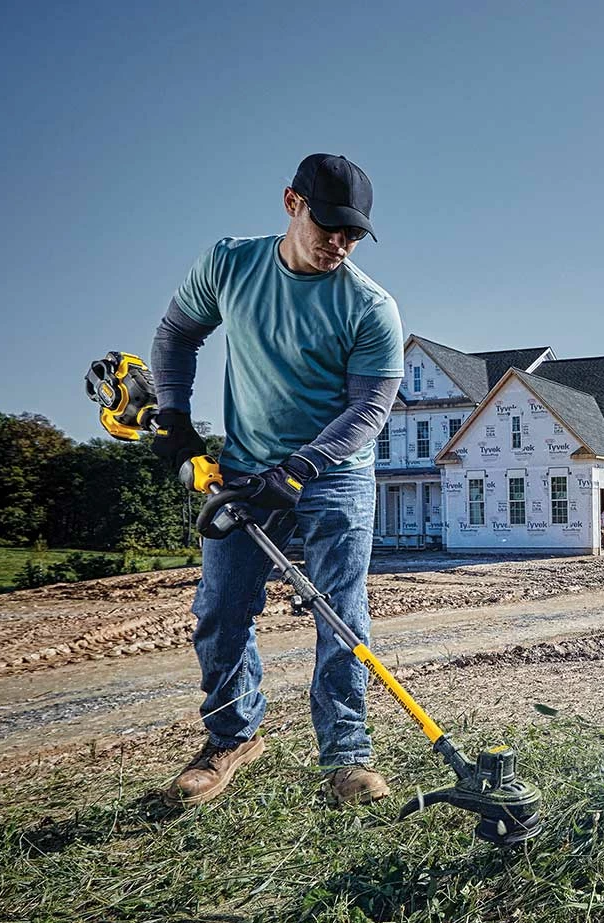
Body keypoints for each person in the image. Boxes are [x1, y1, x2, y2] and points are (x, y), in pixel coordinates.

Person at [149, 153, 404, 808]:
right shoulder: (230, 265)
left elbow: (368, 411)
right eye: (329, 227)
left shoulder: (371, 308)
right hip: (242, 464)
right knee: (221, 608)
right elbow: (177, 333)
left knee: (339, 613)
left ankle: (346, 759)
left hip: (333, 475)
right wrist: (176, 422)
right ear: (292, 204)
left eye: (353, 234)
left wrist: (297, 472)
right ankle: (231, 738)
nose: (339, 244)